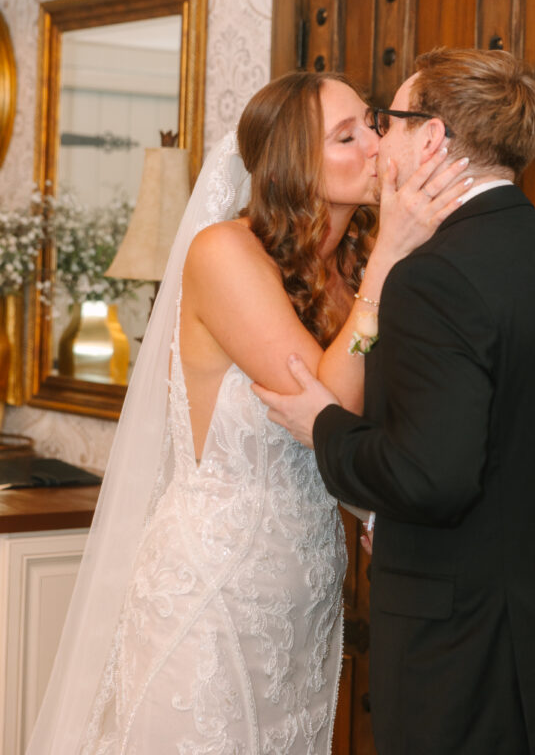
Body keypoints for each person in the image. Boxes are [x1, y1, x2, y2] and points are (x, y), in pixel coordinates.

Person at [26, 70, 474, 755]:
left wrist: (378, 510)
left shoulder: (347, 276)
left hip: (306, 586)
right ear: (294, 160)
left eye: (375, 126)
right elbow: (330, 403)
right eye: (347, 135)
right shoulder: (224, 253)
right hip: (217, 583)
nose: (377, 147)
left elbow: (372, 431)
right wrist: (390, 254)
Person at [255, 48, 535, 755]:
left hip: (464, 659)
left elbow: (427, 477)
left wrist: (323, 424)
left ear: (430, 137)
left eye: (390, 121)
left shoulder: (431, 278)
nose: (380, 143)